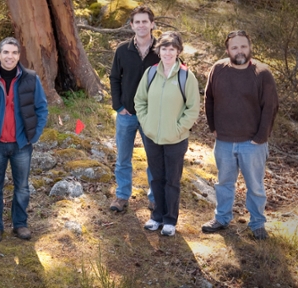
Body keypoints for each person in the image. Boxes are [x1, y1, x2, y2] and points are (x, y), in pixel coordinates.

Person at [201, 30, 278, 240]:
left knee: (255, 186)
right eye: (234, 47)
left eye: (243, 46)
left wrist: (260, 137)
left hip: (252, 143)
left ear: (250, 47)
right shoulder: (218, 69)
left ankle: (257, 223)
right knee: (224, 183)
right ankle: (222, 218)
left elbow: (270, 108)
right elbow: (209, 98)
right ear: (228, 50)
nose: (239, 50)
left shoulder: (262, 74)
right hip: (224, 140)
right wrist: (213, 127)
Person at [0, 37, 48, 244]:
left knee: (22, 187)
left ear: (19, 56)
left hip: (21, 145)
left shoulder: (31, 78)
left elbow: (42, 109)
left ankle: (20, 224)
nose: (10, 57)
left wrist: (32, 137)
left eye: (14, 53)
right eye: (6, 52)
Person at [135, 31, 200, 237]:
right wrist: (146, 124)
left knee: (172, 180)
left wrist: (179, 128)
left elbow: (192, 108)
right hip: (153, 137)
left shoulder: (185, 76)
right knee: (156, 179)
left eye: (172, 49)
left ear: (178, 51)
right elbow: (140, 101)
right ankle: (156, 217)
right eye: (164, 48)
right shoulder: (151, 73)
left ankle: (170, 220)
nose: (168, 52)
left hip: (176, 139)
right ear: (159, 50)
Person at [109, 5, 159, 212]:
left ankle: (155, 198)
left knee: (154, 158)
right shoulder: (122, 49)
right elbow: (114, 78)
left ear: (152, 24)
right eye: (137, 22)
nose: (141, 25)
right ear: (131, 25)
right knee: (123, 158)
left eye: (144, 21)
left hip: (152, 115)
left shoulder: (161, 50)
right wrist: (118, 106)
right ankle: (121, 196)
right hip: (127, 114)